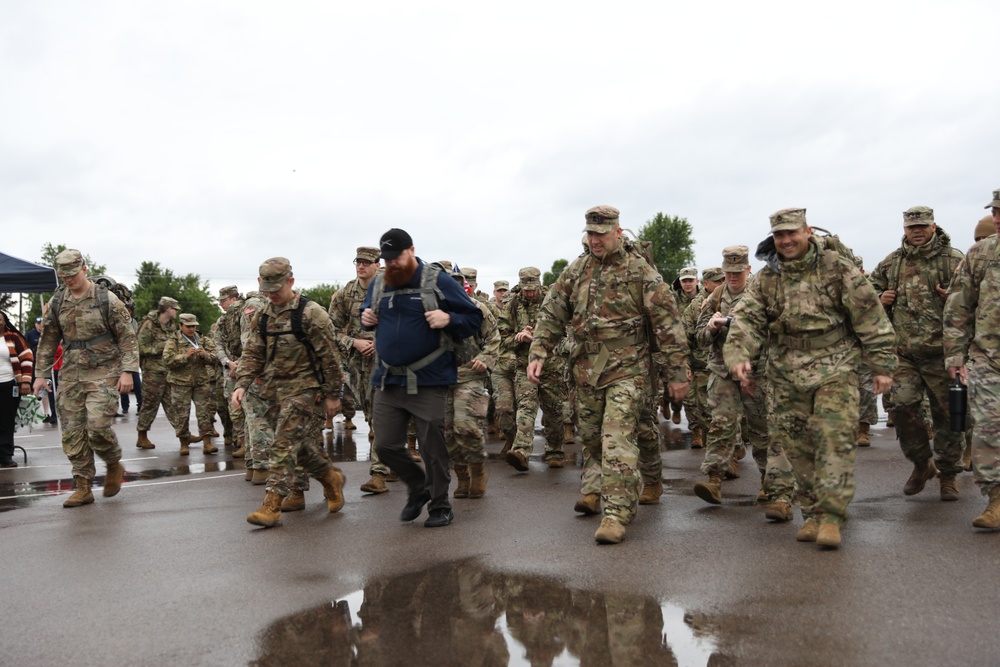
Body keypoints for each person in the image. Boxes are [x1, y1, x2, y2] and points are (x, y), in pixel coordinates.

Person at [723, 209, 896, 549]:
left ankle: (832, 517)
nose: (786, 241)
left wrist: (882, 365)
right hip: (786, 370)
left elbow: (869, 315)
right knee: (797, 445)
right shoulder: (766, 278)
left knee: (833, 439)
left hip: (835, 364)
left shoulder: (837, 267)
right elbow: (746, 320)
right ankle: (813, 512)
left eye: (792, 233)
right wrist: (738, 355)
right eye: (779, 236)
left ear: (807, 232)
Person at [527, 205, 690, 545]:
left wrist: (676, 372)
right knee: (590, 435)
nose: (594, 240)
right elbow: (552, 310)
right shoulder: (577, 270)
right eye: (590, 234)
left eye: (601, 234)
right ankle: (596, 487)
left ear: (617, 232)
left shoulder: (640, 272)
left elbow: (668, 324)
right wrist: (539, 351)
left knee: (617, 436)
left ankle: (616, 512)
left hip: (628, 369)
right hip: (586, 368)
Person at [360, 229, 484, 528]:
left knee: (432, 448)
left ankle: (440, 505)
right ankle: (419, 486)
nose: (393, 264)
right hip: (388, 379)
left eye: (398, 257)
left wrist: (449, 319)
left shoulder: (436, 280)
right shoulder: (380, 281)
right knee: (386, 445)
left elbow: (473, 319)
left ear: (412, 251)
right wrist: (364, 316)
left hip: (429, 378)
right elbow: (366, 310)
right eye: (387, 259)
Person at [233, 258, 347, 528]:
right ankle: (331, 478)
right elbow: (253, 354)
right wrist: (241, 384)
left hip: (306, 388)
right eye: (267, 289)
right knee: (300, 447)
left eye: (277, 288)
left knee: (282, 444)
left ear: (291, 282)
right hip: (273, 391)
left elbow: (330, 358)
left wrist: (332, 395)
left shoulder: (311, 313)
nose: (272, 294)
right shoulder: (263, 316)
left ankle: (271, 505)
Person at [869, 206, 964, 499]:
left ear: (933, 226)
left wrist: (953, 298)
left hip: (942, 354)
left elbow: (972, 299)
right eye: (912, 227)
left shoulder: (954, 260)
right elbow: (862, 295)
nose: (917, 231)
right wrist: (879, 299)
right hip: (905, 354)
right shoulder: (892, 262)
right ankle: (922, 464)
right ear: (905, 228)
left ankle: (948, 475)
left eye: (922, 226)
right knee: (902, 407)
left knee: (949, 417)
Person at [33, 249, 139, 507]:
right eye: (64, 276)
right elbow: (48, 340)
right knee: (71, 431)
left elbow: (127, 337)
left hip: (105, 370)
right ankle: (83, 486)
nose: (69, 280)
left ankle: (113, 463)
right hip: (70, 372)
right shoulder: (57, 302)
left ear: (84, 269)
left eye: (72, 274)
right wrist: (40, 374)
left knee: (97, 427)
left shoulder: (107, 299)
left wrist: (128, 371)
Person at [943, 187, 1000, 529]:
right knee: (988, 429)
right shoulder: (979, 255)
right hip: (988, 359)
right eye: (995, 211)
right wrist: (955, 357)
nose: (997, 217)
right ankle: (996, 499)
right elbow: (959, 307)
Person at [329, 246, 390, 493]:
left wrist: (382, 342)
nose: (361, 266)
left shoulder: (392, 288)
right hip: (359, 367)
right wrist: (353, 342)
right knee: (372, 416)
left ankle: (379, 474)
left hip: (390, 363)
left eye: (366, 262)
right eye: (358, 262)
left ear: (378, 264)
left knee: (381, 417)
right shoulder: (346, 293)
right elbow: (330, 329)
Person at [501, 267, 566, 470]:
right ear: (520, 286)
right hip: (524, 365)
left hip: (551, 365)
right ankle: (521, 451)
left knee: (553, 411)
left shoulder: (553, 301)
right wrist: (518, 337)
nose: (529, 293)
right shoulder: (512, 304)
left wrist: (536, 337)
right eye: (526, 289)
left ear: (539, 284)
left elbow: (564, 335)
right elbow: (501, 339)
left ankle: (555, 450)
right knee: (526, 408)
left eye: (533, 289)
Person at [163, 313, 219, 455]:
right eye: (188, 326)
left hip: (201, 382)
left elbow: (216, 357)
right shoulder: (173, 341)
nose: (191, 329)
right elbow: (167, 361)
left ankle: (207, 443)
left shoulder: (203, 340)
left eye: (193, 326)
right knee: (182, 414)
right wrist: (185, 356)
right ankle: (184, 443)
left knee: (204, 412)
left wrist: (204, 355)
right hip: (180, 383)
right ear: (180, 326)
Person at [135, 296, 180, 449]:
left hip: (168, 371)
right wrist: (162, 347)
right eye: (174, 309)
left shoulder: (171, 326)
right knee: (149, 405)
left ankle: (183, 435)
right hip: (152, 373)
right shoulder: (149, 325)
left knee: (173, 404)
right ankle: (142, 436)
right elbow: (142, 348)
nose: (176, 312)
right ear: (167, 309)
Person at [1, 311, 33, 468]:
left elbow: (27, 357)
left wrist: (25, 382)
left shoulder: (13, 337)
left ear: (5, 321)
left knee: (6, 422)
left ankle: (6, 455)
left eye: (0, 319)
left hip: (9, 384)